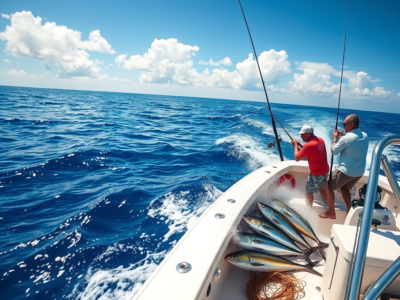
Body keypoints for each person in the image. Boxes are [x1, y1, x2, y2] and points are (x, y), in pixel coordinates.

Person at [291, 125, 335, 218]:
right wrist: (300, 146)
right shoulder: (320, 140)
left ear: (308, 134)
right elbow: (311, 151)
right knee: (323, 188)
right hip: (325, 170)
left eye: (302, 134)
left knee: (308, 191)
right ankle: (327, 205)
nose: (301, 136)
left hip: (316, 173)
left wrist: (295, 145)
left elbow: (297, 158)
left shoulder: (309, 145)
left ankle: (308, 212)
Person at [329, 114, 369, 213]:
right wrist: (343, 135)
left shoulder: (346, 139)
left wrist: (335, 139)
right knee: (344, 187)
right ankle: (349, 209)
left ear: (352, 124)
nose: (343, 126)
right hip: (359, 172)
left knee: (327, 185)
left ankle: (331, 212)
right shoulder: (365, 135)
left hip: (346, 172)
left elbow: (334, 151)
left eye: (345, 124)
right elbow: (353, 138)